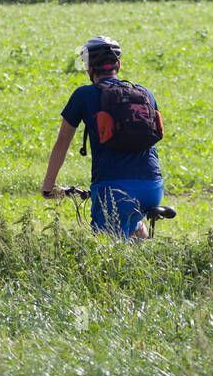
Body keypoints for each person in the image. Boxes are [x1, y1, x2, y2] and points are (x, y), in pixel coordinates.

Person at [40, 36, 168, 239]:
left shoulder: (84, 95)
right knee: (133, 222)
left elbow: (62, 143)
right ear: (118, 64)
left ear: (89, 68)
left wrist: (49, 186)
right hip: (152, 185)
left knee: (107, 257)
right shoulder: (145, 93)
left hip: (113, 189)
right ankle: (149, 261)